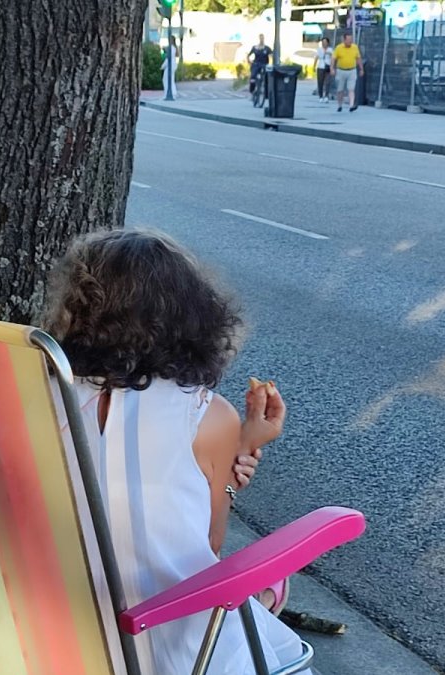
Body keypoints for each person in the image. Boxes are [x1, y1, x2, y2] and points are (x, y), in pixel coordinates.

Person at [42, 230, 307, 675]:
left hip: (47, 624)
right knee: (256, 584)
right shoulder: (205, 415)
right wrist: (234, 452)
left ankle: (262, 600)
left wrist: (237, 448)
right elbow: (208, 546)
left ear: (75, 311)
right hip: (167, 648)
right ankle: (263, 598)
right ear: (193, 315)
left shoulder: (32, 394)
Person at [332, 33, 362, 112]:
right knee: (340, 89)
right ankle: (339, 105)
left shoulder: (355, 47)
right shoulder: (339, 48)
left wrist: (361, 69)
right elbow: (333, 59)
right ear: (344, 40)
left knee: (351, 89)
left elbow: (358, 58)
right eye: (348, 40)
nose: (350, 41)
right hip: (341, 70)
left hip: (352, 70)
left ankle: (351, 105)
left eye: (351, 40)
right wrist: (332, 68)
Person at [315, 37, 332, 102]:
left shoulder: (330, 49)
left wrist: (329, 53)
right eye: (323, 42)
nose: (324, 44)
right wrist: (314, 66)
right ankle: (320, 96)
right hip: (321, 66)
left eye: (325, 42)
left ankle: (326, 96)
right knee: (320, 82)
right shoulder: (319, 49)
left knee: (327, 82)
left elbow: (333, 57)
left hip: (328, 66)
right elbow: (316, 57)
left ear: (328, 43)